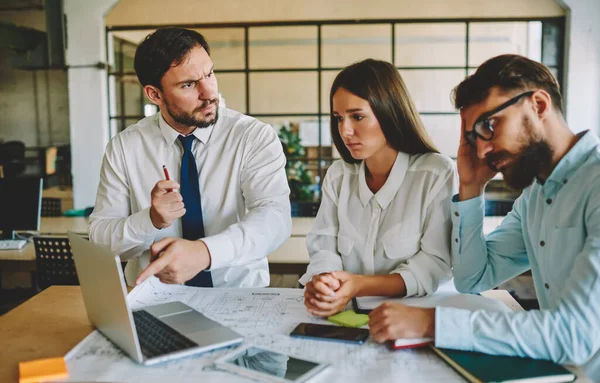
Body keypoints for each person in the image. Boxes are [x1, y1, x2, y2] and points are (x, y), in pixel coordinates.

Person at [368, 54, 600, 379]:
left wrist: (432, 323)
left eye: (489, 126)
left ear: (539, 104)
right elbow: (474, 278)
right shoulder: (536, 194)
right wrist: (471, 188)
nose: (481, 151)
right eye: (474, 137)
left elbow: (574, 335)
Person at [89, 28, 291, 288]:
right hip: (154, 301)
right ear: (155, 95)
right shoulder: (124, 148)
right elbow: (100, 241)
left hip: (237, 296)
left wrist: (205, 252)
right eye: (189, 84)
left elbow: (275, 218)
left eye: (209, 74)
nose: (209, 93)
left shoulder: (252, 136)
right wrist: (150, 220)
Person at [299, 59, 456, 317]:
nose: (344, 130)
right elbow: (324, 248)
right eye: (339, 118)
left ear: (389, 111)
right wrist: (324, 283)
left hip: (417, 319)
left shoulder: (435, 173)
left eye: (357, 116)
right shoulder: (339, 176)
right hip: (348, 315)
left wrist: (359, 286)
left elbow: (435, 264)